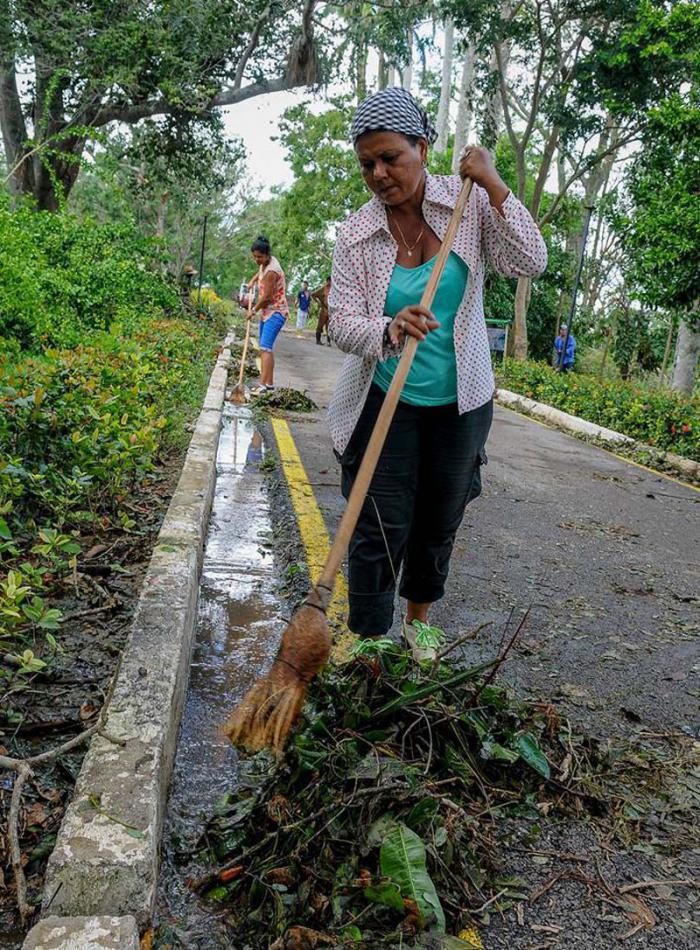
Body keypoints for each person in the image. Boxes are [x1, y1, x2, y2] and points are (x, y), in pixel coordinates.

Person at [328, 87, 547, 660]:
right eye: (367, 163)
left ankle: (418, 622)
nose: (378, 173)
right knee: (376, 521)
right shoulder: (355, 235)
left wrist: (496, 182)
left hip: (461, 400)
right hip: (384, 396)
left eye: (391, 158)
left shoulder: (467, 204)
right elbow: (343, 322)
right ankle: (369, 636)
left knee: (437, 516)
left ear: (422, 147)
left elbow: (530, 260)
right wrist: (388, 326)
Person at [247, 236, 289, 394]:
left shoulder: (272, 270)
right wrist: (252, 281)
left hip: (276, 312)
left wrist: (253, 310)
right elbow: (259, 273)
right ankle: (269, 384)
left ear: (266, 255)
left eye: (259, 257)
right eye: (254, 256)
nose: (257, 260)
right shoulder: (265, 263)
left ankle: (263, 385)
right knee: (264, 347)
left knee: (265, 348)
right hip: (267, 312)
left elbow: (267, 298)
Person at [312, 277, 332, 346]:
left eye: (330, 281)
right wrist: (318, 302)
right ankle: (318, 340)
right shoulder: (323, 288)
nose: (329, 283)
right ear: (327, 281)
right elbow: (313, 294)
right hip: (323, 310)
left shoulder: (333, 289)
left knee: (329, 327)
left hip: (330, 311)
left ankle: (329, 342)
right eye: (328, 281)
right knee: (320, 326)